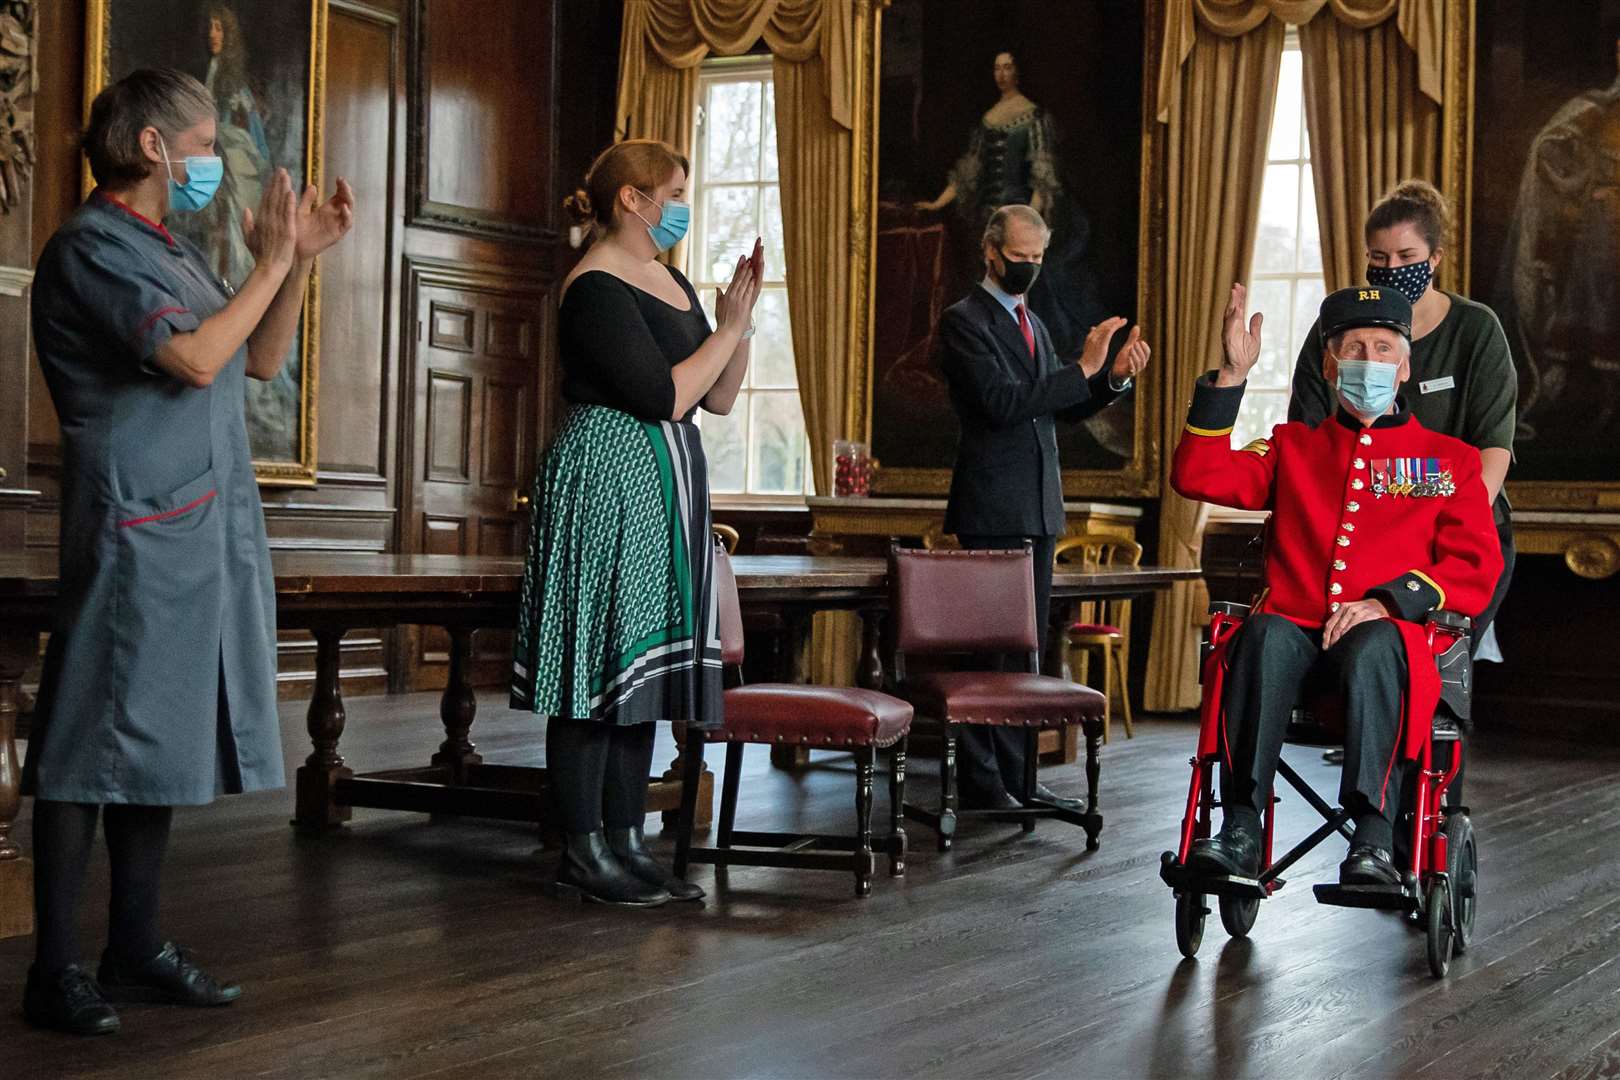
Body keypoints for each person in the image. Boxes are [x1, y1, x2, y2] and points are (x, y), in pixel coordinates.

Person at [24, 68, 355, 1035]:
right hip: (133, 525)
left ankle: (132, 947)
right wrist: (267, 262)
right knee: (85, 745)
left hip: (194, 524)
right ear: (156, 148)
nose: (218, 157)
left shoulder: (166, 248)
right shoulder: (90, 248)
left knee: (153, 739)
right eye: (206, 140)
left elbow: (257, 359)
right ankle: (54, 969)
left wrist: (291, 264)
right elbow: (195, 358)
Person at [1174, 285, 1503, 887]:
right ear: (1330, 365)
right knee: (1263, 634)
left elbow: (1474, 566)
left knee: (1382, 642)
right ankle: (1241, 828)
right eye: (1354, 348)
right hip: (1295, 639)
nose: (1369, 360)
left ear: (1404, 367)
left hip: (1381, 649)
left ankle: (1374, 841)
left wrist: (1385, 602)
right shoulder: (1292, 447)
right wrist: (1231, 374)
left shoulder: (1445, 462)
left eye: (1383, 348)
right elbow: (1199, 473)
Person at [511, 139, 761, 908]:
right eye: (674, 190)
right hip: (607, 479)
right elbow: (661, 394)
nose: (682, 203)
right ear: (632, 198)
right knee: (595, 665)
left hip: (665, 486)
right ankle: (583, 848)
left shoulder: (670, 278)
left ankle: (627, 840)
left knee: (642, 671)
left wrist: (739, 324)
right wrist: (722, 334)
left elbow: (715, 400)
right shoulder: (594, 286)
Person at [937, 203, 1149, 812]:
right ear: (990, 250)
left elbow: (1058, 405)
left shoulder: (1031, 321)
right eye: (1019, 257)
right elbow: (1004, 403)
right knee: (989, 652)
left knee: (1026, 651)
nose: (1028, 267)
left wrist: (1110, 378)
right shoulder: (965, 321)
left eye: (1037, 259)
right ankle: (983, 781)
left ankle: (1021, 777)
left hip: (1037, 509)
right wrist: (1081, 366)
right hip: (991, 509)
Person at [1288, 181, 1516, 658]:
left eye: (1406, 256)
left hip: (1451, 533)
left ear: (1435, 258)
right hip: (1354, 533)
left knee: (1419, 665)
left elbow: (1493, 446)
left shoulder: (1476, 329)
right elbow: (1303, 443)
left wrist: (1455, 522)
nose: (1391, 269)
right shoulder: (1334, 330)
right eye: (1379, 257)